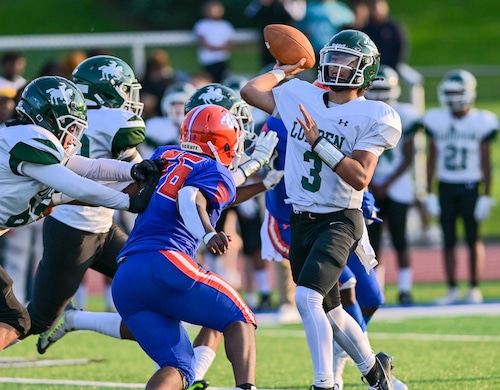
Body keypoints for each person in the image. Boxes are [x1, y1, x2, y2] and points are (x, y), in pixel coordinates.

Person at [241, 29, 401, 390]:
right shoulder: (302, 94)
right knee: (331, 310)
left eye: (346, 62)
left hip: (340, 218)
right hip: (302, 216)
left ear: (365, 73)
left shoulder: (374, 113)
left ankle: (324, 382)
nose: (334, 66)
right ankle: (378, 375)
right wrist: (285, 68)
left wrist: (318, 143)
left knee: (306, 296)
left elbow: (359, 177)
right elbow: (251, 91)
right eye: (332, 57)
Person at [0, 75, 161, 350]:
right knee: (17, 320)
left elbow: (90, 168)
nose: (74, 133)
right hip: (75, 234)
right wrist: (127, 203)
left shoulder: (27, 142)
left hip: (97, 230)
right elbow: (80, 186)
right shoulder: (30, 140)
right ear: (50, 117)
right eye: (70, 123)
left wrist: (132, 170)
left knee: (18, 320)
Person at [111, 104, 257, 390]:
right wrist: (208, 233)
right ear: (223, 140)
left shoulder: (163, 155)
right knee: (240, 316)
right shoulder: (214, 169)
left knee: (178, 367)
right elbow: (190, 196)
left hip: (127, 274)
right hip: (167, 261)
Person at [423, 69, 498, 305]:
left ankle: (474, 286)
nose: (453, 97)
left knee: (473, 238)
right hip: (446, 185)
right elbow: (431, 156)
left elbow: (487, 161)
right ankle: (453, 287)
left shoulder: (481, 121)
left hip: (470, 185)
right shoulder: (437, 119)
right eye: (450, 92)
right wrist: (428, 192)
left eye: (457, 92)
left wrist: (486, 194)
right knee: (448, 240)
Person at [365, 65, 422, 305]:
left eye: (384, 88)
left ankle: (405, 288)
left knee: (400, 238)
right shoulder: (363, 112)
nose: (379, 94)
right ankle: (378, 290)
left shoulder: (405, 115)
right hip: (371, 183)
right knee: (373, 241)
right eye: (375, 88)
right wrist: (374, 181)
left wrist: (385, 182)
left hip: (396, 184)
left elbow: (408, 156)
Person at [244, 0, 306, 70]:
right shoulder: (261, 3)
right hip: (267, 39)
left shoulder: (288, 2)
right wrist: (262, 4)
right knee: (268, 64)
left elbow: (298, 16)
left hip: (285, 40)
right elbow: (250, 14)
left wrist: (285, 3)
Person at [193, 0, 234, 83]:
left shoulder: (226, 25)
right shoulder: (201, 25)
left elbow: (230, 41)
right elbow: (203, 41)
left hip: (222, 59)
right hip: (208, 60)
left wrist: (221, 48)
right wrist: (217, 48)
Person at [361, 0, 407, 70]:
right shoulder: (366, 29)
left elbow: (401, 48)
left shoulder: (393, 27)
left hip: (392, 67)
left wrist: (394, 65)